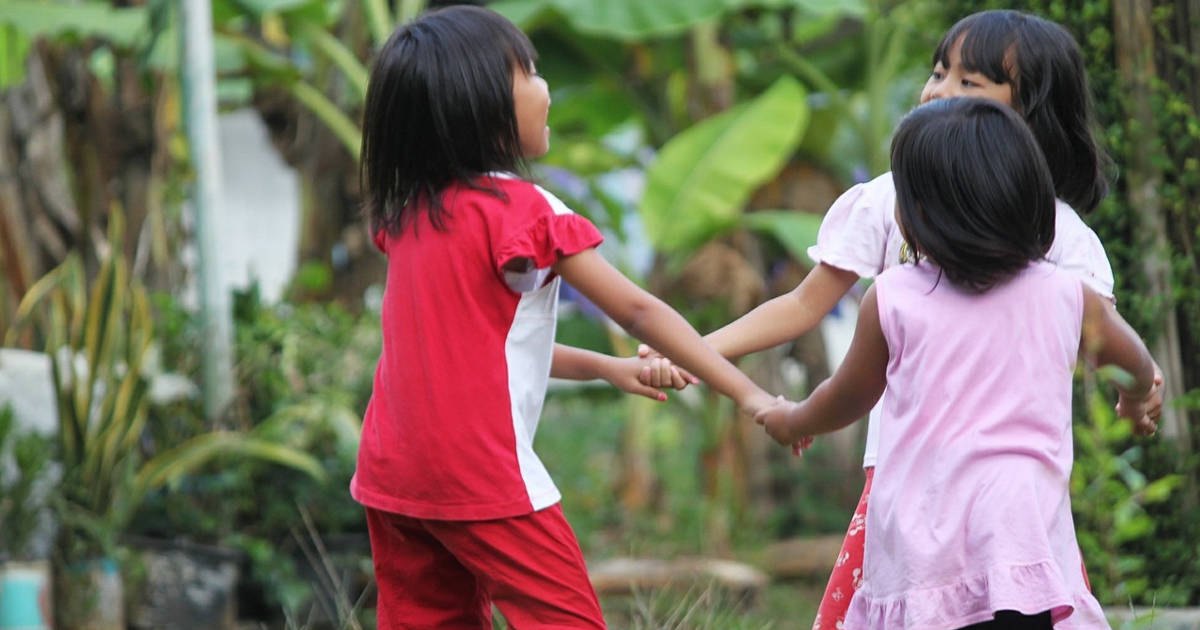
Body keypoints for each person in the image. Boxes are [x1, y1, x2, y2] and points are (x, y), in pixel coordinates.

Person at [638, 11, 1162, 629]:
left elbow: (845, 394)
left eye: (971, 83)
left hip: (984, 513)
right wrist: (698, 351)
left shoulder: (1063, 247)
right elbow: (804, 305)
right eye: (940, 72)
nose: (940, 91)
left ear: (1031, 118)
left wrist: (792, 417)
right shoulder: (898, 198)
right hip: (945, 492)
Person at [348, 6, 775, 629]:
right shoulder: (523, 210)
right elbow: (637, 308)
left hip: (394, 474)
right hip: (477, 474)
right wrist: (749, 393)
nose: (546, 89)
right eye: (532, 72)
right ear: (484, 102)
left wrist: (606, 368)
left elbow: (480, 350)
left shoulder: (415, 215)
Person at [756, 97, 1156, 630]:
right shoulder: (1066, 293)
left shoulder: (893, 297)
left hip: (925, 547)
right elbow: (1132, 358)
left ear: (920, 214)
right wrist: (1133, 400)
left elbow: (847, 395)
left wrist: (794, 419)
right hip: (1021, 535)